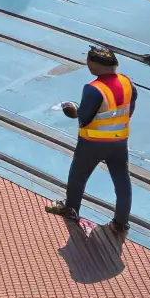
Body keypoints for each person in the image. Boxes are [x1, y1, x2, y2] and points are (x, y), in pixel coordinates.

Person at [46, 46, 136, 238]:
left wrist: (72, 110)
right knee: (122, 181)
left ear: (95, 65)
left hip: (92, 142)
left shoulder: (93, 89)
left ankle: (71, 209)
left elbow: (84, 118)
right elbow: (129, 109)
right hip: (119, 141)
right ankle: (121, 222)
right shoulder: (127, 82)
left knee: (78, 176)